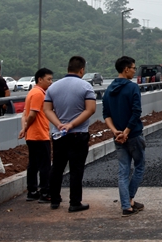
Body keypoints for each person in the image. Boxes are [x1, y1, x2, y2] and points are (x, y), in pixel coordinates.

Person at [43, 55, 96, 212]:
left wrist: (59, 124)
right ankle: (74, 202)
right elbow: (91, 109)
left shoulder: (53, 87)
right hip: (78, 134)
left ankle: (54, 199)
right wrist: (72, 124)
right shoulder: (86, 87)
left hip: (59, 135)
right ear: (82, 70)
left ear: (68, 68)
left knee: (57, 167)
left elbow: (47, 109)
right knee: (76, 169)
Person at [102, 56, 146, 216]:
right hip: (133, 135)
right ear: (126, 69)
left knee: (123, 171)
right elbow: (136, 112)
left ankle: (127, 205)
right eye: (133, 68)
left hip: (118, 137)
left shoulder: (108, 89)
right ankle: (130, 199)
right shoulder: (132, 88)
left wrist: (115, 132)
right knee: (140, 166)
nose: (135, 71)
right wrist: (126, 132)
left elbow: (106, 114)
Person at [18, 68, 54, 203]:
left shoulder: (32, 92)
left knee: (33, 164)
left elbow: (24, 115)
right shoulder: (39, 94)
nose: (50, 82)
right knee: (45, 165)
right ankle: (45, 192)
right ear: (40, 79)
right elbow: (32, 114)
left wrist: (24, 129)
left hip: (32, 136)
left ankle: (32, 191)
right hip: (39, 134)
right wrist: (26, 128)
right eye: (48, 79)